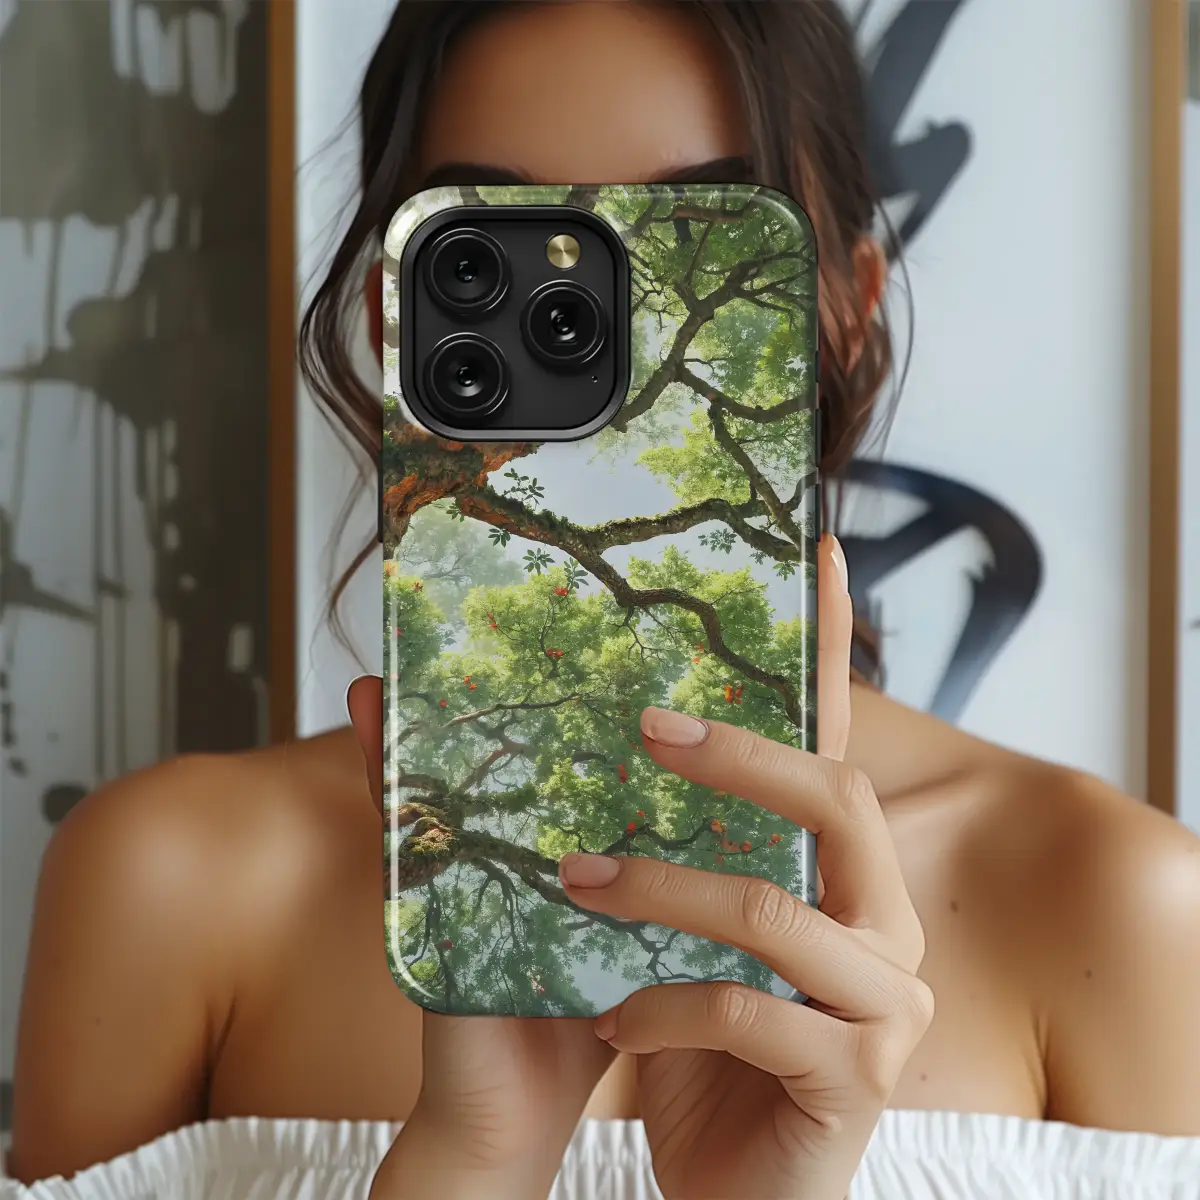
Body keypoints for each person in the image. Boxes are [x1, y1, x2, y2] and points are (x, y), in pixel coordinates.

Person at [7, 1, 1200, 1197]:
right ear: (392, 314)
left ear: (845, 309)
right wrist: (475, 1159)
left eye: (699, 242)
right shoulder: (170, 885)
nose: (601, 334)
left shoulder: (1116, 907)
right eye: (490, 251)